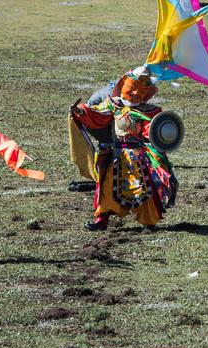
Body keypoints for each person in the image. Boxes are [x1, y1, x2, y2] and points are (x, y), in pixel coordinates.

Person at [69, 67, 178, 232]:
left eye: (141, 90)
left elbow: (152, 133)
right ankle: (102, 219)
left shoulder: (150, 112)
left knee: (143, 190)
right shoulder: (114, 105)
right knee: (107, 187)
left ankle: (148, 222)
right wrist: (81, 111)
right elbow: (97, 115)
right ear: (123, 84)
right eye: (132, 87)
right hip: (117, 155)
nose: (135, 93)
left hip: (138, 158)